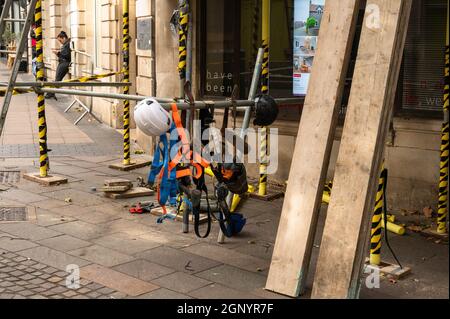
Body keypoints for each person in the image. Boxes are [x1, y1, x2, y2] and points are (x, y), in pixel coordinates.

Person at [45, 31, 71, 100]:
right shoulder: (66, 44)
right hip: (62, 63)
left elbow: (67, 55)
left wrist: (58, 53)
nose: (60, 42)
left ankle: (50, 93)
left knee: (57, 79)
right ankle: (51, 93)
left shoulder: (67, 44)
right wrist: (58, 53)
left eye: (60, 40)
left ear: (64, 38)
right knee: (57, 79)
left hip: (64, 63)